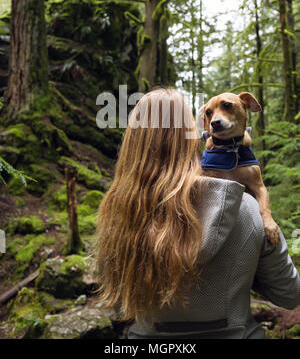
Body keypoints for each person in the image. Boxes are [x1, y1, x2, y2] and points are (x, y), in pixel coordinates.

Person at [94, 88, 300, 339]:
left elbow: (117, 304)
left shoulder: (119, 218)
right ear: (191, 138)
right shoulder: (248, 208)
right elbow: (290, 294)